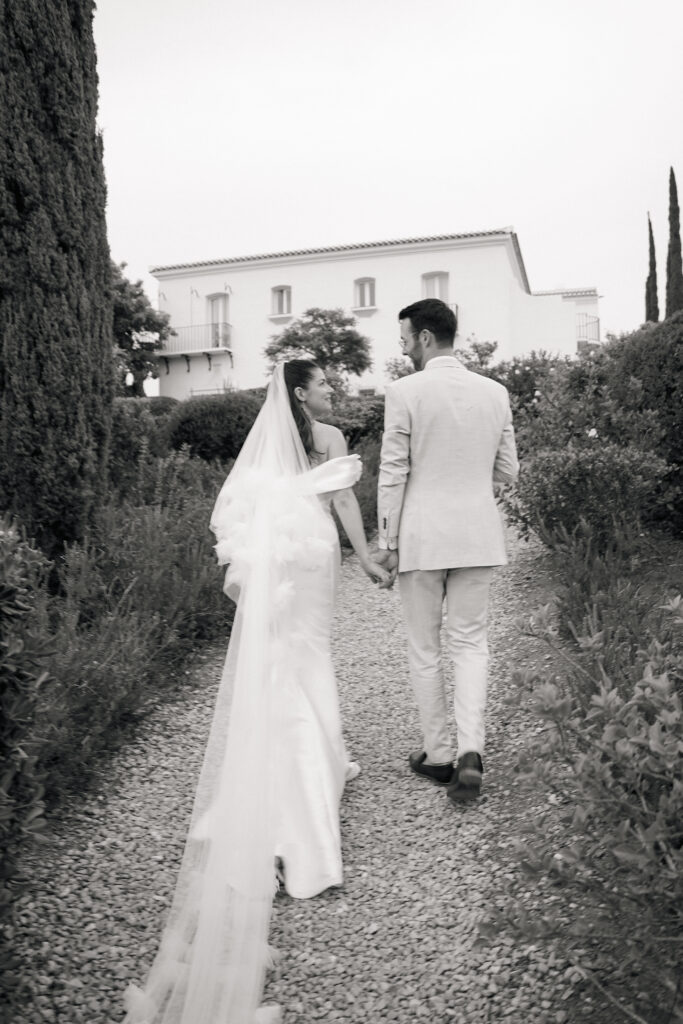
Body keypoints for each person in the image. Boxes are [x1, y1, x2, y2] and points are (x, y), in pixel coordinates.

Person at [124, 360, 388, 1024]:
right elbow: (342, 500)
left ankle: (289, 775)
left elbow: (237, 511)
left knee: (285, 666)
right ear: (300, 392)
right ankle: (304, 798)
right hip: (314, 564)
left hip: (288, 569)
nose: (331, 390)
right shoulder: (325, 438)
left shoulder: (265, 446)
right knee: (308, 663)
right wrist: (363, 555)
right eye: (322, 383)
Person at [376, 299, 519, 806]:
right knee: (471, 644)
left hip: (422, 537)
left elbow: (393, 471)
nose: (404, 349)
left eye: (405, 340)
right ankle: (472, 754)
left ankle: (438, 756)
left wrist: (386, 541)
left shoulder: (403, 392)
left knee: (425, 647)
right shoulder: (495, 393)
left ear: (426, 338)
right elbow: (508, 472)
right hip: (478, 534)